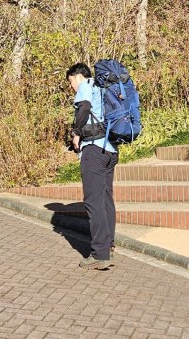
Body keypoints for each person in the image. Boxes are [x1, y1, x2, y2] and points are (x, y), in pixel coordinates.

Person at [67, 62, 118, 271]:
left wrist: (76, 132)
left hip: (94, 150)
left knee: (93, 201)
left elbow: (85, 107)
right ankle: (109, 244)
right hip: (110, 150)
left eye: (70, 82)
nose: (72, 87)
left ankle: (99, 253)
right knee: (106, 198)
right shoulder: (102, 87)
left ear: (77, 77)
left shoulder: (86, 85)